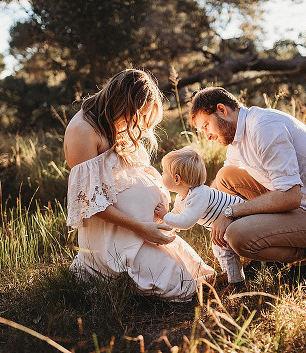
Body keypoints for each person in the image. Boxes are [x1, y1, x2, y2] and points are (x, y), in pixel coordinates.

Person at [64, 69, 215, 301]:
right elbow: (89, 202)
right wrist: (140, 227)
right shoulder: (83, 131)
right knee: (183, 286)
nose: (142, 128)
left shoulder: (113, 120)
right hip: (114, 237)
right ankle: (96, 274)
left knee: (199, 277)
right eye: (140, 117)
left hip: (138, 231)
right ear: (124, 104)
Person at [188, 87, 306, 279]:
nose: (207, 135)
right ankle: (267, 246)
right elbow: (219, 189)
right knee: (224, 177)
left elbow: (291, 197)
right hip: (301, 206)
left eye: (206, 126)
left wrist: (231, 213)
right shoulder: (238, 136)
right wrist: (196, 207)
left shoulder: (264, 127)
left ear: (222, 110)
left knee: (238, 236)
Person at [154, 148, 246, 285]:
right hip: (225, 226)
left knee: (223, 248)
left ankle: (236, 282)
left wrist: (165, 216)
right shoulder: (182, 197)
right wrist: (168, 225)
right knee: (220, 248)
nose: (162, 175)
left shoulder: (200, 194)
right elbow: (178, 214)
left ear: (177, 179)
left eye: (164, 172)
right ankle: (232, 277)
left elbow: (186, 222)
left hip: (240, 218)